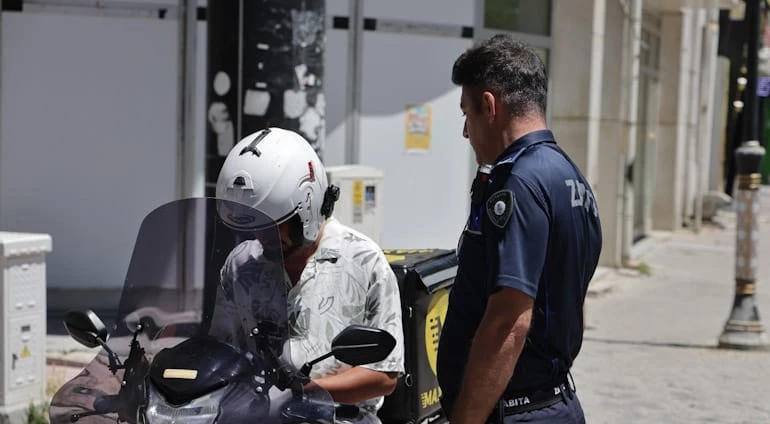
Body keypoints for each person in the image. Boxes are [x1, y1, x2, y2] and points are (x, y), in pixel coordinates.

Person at [436, 34, 603, 424]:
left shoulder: (518, 182)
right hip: (553, 402)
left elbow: (509, 321)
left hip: (516, 412)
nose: (465, 131)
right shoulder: (569, 177)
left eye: (467, 113)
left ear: (490, 105)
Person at [216, 127, 405, 424]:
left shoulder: (364, 262)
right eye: (254, 226)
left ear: (305, 209)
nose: (260, 236)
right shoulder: (240, 266)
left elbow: (384, 375)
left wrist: (308, 392)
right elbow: (223, 349)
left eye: (271, 225)